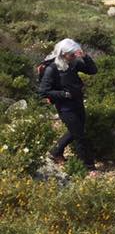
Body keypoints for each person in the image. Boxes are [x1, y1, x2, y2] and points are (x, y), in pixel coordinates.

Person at [38, 38, 97, 171]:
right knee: (80, 136)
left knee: (76, 130)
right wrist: (64, 94)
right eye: (71, 54)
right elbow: (43, 92)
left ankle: (55, 152)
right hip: (65, 107)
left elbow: (93, 71)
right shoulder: (52, 69)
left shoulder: (73, 63)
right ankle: (88, 167)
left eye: (74, 54)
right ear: (63, 54)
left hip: (78, 102)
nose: (73, 57)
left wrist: (85, 56)